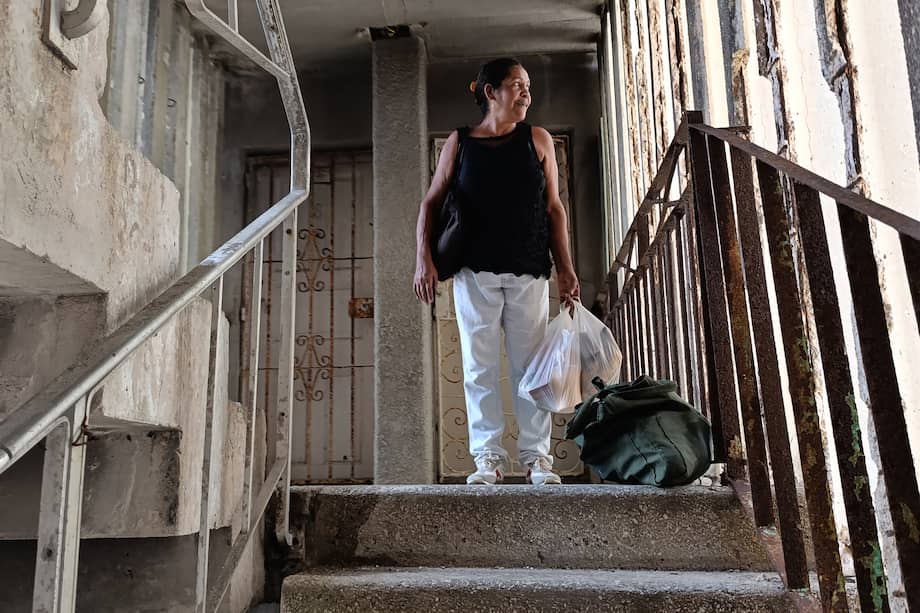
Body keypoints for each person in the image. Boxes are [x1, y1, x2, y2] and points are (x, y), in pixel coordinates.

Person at [414, 58, 580, 486]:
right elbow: (431, 202)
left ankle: (536, 460)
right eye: (516, 85)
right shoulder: (460, 143)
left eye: (528, 86)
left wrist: (566, 269)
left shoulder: (537, 140)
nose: (526, 93)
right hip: (474, 273)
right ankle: (487, 459)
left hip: (528, 271)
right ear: (490, 92)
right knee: (479, 367)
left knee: (531, 370)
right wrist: (423, 259)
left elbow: (554, 209)